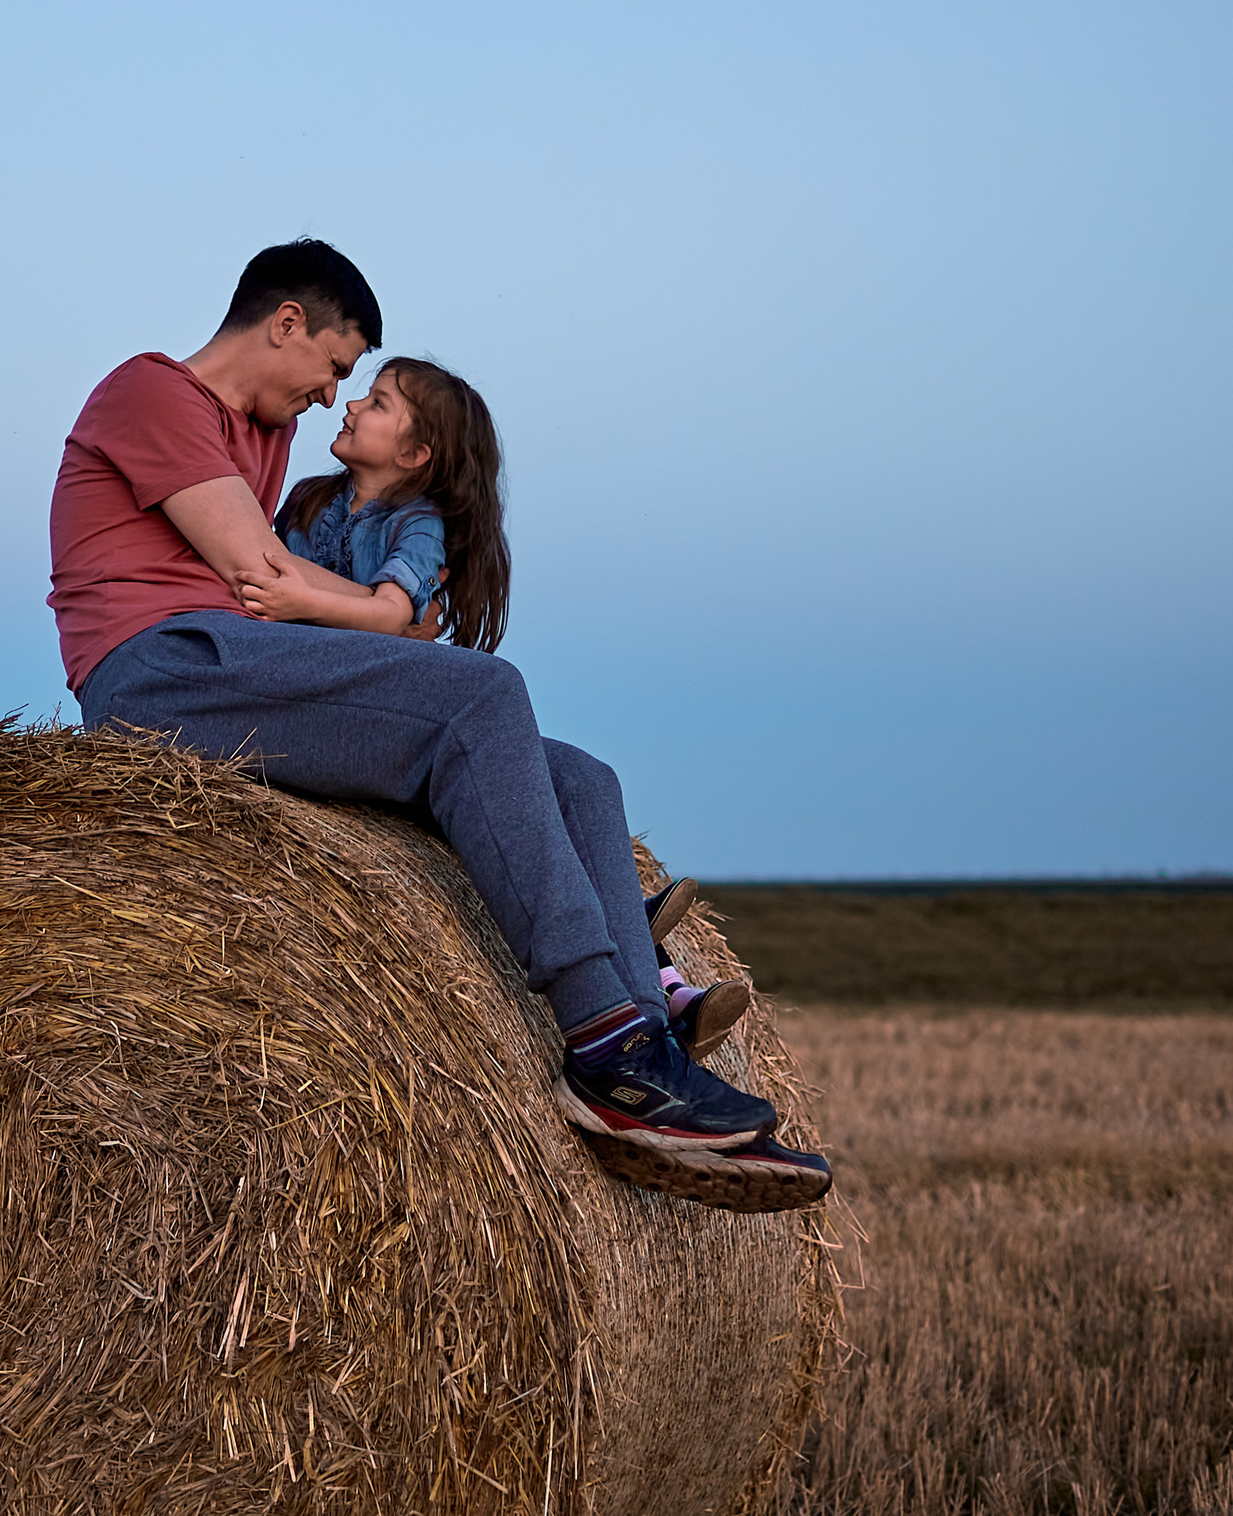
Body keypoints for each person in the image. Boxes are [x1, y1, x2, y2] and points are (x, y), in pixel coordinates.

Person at [47, 239, 826, 1210]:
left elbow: (290, 591)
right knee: (480, 691)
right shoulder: (150, 393)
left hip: (240, 663)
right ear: (285, 322)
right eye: (334, 368)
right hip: (160, 671)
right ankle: (604, 1042)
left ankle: (650, 1063)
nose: (334, 398)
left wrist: (373, 612)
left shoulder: (265, 437)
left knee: (580, 781)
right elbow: (262, 574)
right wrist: (386, 615)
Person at [244, 354, 755, 1064]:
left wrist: (305, 601)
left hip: (391, 708)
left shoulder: (418, 528)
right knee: (501, 736)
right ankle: (644, 958)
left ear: (416, 453)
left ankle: (648, 1015)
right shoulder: (304, 503)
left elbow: (391, 613)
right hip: (332, 712)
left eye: (378, 401)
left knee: (588, 779)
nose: (352, 404)